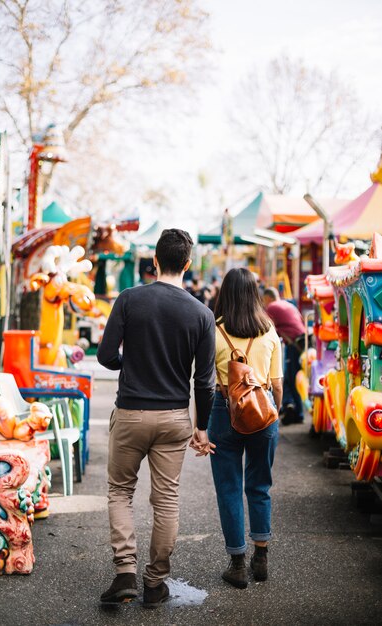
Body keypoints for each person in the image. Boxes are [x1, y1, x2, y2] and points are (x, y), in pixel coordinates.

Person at [97, 228, 216, 608]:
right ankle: (155, 582)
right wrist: (201, 428)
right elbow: (205, 381)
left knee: (120, 491)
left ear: (154, 260)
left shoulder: (130, 299)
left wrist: (125, 364)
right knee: (166, 501)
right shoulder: (201, 313)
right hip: (173, 418)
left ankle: (125, 573)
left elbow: (104, 355)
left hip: (131, 412)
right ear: (187, 264)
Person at [192, 268, 282, 589]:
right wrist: (274, 412)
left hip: (222, 408)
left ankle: (237, 564)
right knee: (260, 486)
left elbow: (202, 382)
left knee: (229, 487)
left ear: (224, 294)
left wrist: (199, 424)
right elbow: (276, 384)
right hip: (263, 409)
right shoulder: (269, 330)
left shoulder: (213, 331)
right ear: (255, 293)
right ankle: (262, 557)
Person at [263, 287, 306, 425]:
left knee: (291, 378)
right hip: (301, 342)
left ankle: (298, 413)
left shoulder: (271, 307)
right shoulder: (288, 304)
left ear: (268, 298)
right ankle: (292, 408)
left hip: (293, 344)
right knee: (291, 377)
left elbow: (266, 328)